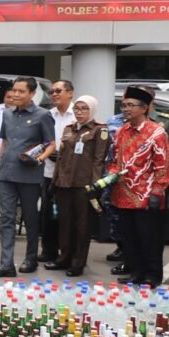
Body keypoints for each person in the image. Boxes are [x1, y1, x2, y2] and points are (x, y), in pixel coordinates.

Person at [0, 76, 55, 277]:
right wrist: (0, 164)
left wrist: (39, 159)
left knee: (30, 218)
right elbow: (5, 142)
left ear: (32, 94)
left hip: (30, 174)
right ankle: (6, 263)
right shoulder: (7, 114)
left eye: (21, 91)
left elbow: (51, 143)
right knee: (7, 218)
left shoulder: (43, 115)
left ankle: (31, 258)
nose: (15, 94)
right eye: (14, 90)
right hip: (6, 173)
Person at [108, 86, 169, 287]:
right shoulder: (121, 131)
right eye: (124, 105)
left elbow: (163, 165)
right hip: (122, 193)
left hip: (146, 195)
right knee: (129, 238)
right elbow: (115, 160)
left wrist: (157, 191)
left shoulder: (157, 133)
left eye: (130, 105)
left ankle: (152, 276)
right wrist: (109, 177)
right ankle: (135, 272)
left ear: (144, 108)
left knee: (149, 239)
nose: (125, 109)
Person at [48, 95, 109, 277]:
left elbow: (99, 160)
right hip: (64, 183)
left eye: (84, 109)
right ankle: (64, 258)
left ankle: (78, 262)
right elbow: (60, 158)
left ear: (92, 111)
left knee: (82, 226)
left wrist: (96, 185)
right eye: (77, 109)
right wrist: (55, 180)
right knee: (64, 223)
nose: (80, 112)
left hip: (84, 185)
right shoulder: (69, 129)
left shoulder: (100, 130)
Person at [40, 79, 76, 263]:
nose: (54, 94)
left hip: (71, 174)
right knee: (48, 213)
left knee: (67, 215)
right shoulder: (47, 115)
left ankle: (67, 253)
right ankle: (48, 250)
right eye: (52, 92)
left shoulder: (77, 115)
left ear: (70, 93)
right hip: (49, 170)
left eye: (58, 91)